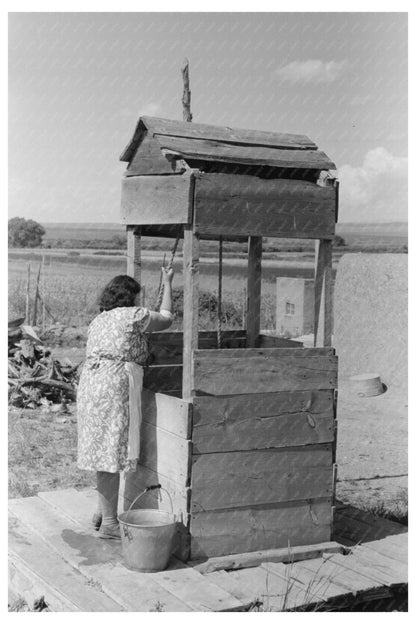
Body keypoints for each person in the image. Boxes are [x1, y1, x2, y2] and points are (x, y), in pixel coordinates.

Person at [77, 268, 174, 539]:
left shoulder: (100, 319)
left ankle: (102, 511)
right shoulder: (133, 315)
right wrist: (167, 283)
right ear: (130, 297)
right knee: (111, 453)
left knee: (103, 449)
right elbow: (166, 319)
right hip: (113, 385)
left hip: (92, 385)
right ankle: (109, 524)